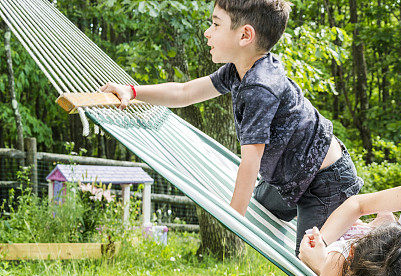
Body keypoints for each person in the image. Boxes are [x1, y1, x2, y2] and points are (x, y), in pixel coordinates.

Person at [99, 0, 361, 254]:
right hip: (290, 179)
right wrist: (132, 91)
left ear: (245, 35)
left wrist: (234, 217)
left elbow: (251, 160)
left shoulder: (260, 87)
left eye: (215, 24)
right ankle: (351, 226)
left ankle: (360, 233)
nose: (207, 32)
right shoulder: (238, 69)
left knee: (310, 258)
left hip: (324, 181)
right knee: (262, 207)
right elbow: (185, 92)